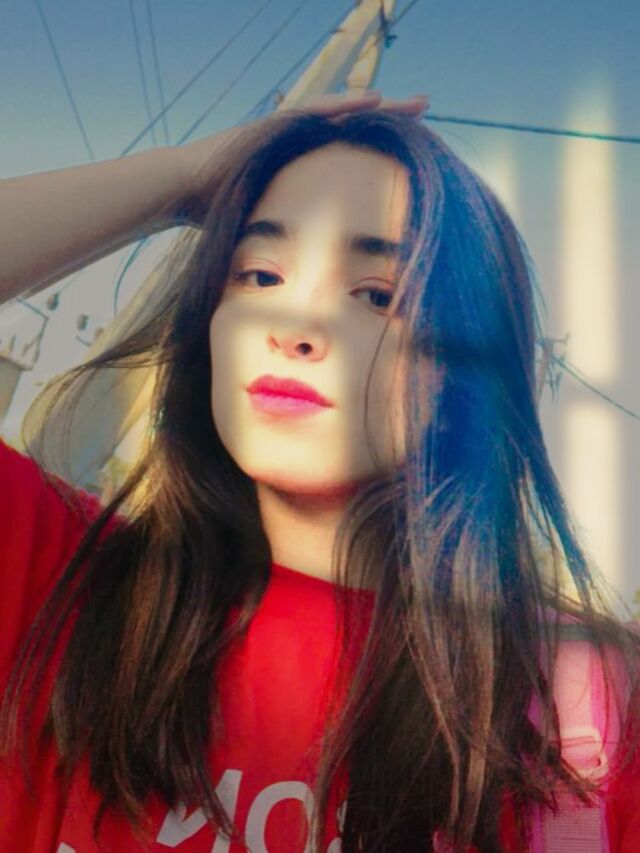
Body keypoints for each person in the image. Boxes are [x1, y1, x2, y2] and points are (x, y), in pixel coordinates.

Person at [0, 90, 638, 852]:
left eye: (377, 295)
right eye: (258, 275)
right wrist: (180, 179)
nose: (295, 325)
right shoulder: (65, 580)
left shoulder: (578, 709)